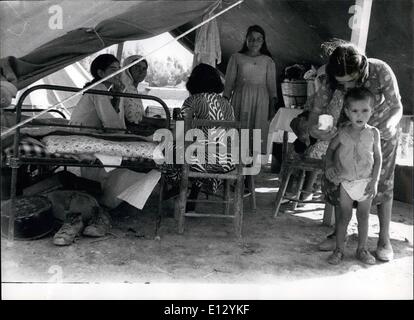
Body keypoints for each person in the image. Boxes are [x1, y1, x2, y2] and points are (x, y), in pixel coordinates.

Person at [303, 42, 402, 261]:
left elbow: (397, 106)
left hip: (380, 134)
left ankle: (383, 239)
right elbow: (314, 117)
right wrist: (319, 133)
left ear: (363, 68)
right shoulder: (330, 80)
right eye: (343, 84)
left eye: (353, 81)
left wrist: (391, 124)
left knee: (382, 184)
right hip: (347, 134)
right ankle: (340, 235)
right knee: (340, 181)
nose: (348, 87)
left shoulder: (380, 70)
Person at [161, 63, 235, 211]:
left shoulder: (192, 101)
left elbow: (179, 135)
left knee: (165, 151)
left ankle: (179, 184)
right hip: (228, 162)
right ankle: (195, 188)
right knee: (200, 149)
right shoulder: (227, 104)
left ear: (193, 82)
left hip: (202, 162)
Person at [325, 87, 382, 265]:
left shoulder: (373, 133)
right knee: (344, 217)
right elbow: (330, 150)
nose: (360, 115)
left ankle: (362, 250)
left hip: (365, 183)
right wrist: (329, 165)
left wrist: (375, 181)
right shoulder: (342, 133)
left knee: (364, 217)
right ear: (348, 112)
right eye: (355, 111)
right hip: (347, 183)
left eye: (365, 110)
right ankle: (339, 250)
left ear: (371, 111)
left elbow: (379, 158)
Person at [223, 25, 277, 161]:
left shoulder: (268, 61)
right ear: (246, 40)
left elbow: (272, 87)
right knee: (240, 135)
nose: (254, 42)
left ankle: (249, 176)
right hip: (241, 100)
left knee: (256, 136)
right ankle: (235, 170)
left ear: (263, 41)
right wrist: (225, 105)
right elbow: (228, 83)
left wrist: (271, 108)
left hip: (261, 102)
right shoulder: (236, 58)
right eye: (251, 39)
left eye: (259, 39)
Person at [70, 54, 126, 130]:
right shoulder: (98, 89)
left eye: (119, 69)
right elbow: (111, 123)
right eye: (113, 69)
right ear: (101, 73)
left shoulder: (103, 89)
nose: (118, 73)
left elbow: (112, 118)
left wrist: (117, 96)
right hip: (81, 131)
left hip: (86, 129)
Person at [120, 55, 148, 124]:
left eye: (144, 68)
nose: (141, 71)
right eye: (137, 67)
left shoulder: (134, 90)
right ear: (128, 69)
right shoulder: (123, 89)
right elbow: (131, 120)